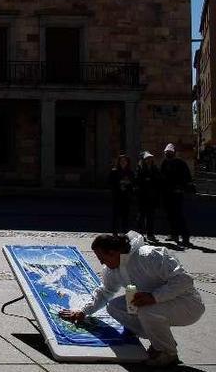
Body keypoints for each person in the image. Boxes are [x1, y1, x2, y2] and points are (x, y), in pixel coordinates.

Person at [59, 233, 205, 368]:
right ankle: (159, 341)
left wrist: (154, 297)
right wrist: (83, 311)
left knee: (146, 310)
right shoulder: (113, 269)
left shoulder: (149, 255)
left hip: (187, 304)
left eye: (102, 258)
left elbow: (184, 280)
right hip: (153, 303)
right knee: (114, 307)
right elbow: (104, 292)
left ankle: (168, 353)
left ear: (114, 252)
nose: (101, 262)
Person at [161, 143, 193, 247]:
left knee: (179, 215)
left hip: (177, 193)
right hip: (167, 194)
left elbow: (187, 178)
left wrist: (181, 188)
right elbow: (162, 177)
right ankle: (173, 234)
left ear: (174, 153)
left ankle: (185, 237)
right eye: (167, 152)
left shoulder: (181, 163)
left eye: (170, 152)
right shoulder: (164, 163)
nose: (168, 154)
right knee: (170, 215)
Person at [136, 151, 161, 243]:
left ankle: (150, 234)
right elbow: (139, 180)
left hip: (152, 196)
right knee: (141, 217)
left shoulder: (154, 168)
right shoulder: (140, 168)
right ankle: (140, 234)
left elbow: (158, 180)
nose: (149, 160)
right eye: (147, 159)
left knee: (150, 217)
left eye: (150, 158)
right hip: (142, 196)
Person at [108, 153, 135, 235]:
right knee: (116, 216)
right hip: (117, 196)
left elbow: (133, 183)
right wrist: (119, 184)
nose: (123, 162)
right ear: (119, 162)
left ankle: (124, 232)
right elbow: (110, 183)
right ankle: (114, 233)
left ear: (127, 162)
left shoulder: (130, 172)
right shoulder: (114, 171)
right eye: (121, 161)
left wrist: (128, 184)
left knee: (125, 216)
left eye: (125, 161)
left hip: (126, 197)